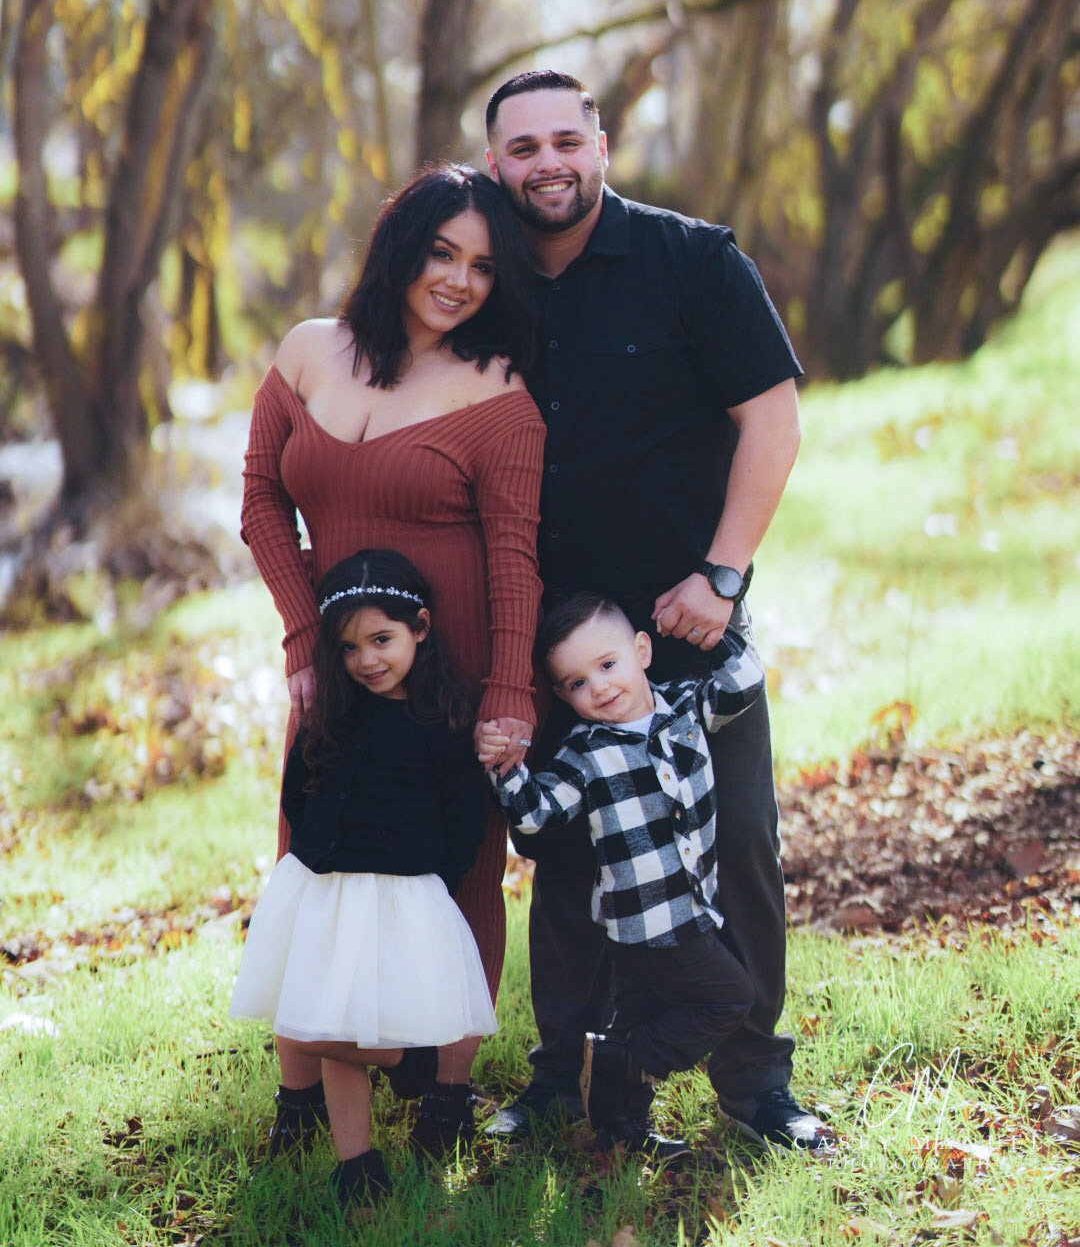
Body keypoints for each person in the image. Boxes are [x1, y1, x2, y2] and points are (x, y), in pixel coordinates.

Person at [482, 71, 830, 1151]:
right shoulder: (487, 283)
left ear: (602, 146)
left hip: (689, 638)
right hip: (558, 653)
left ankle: (756, 1084)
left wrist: (722, 577)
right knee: (570, 865)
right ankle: (564, 1078)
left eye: (565, 140)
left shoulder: (695, 261)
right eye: (523, 148)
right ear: (496, 166)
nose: (547, 163)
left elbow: (773, 420)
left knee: (739, 852)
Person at [240, 163, 545, 1155]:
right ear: (400, 247)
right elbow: (260, 502)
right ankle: (301, 1094)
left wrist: (507, 693)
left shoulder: (499, 392)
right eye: (443, 253)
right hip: (339, 668)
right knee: (313, 860)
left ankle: (445, 1091)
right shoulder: (308, 351)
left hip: (449, 675)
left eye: (483, 267)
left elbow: (515, 556)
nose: (459, 280)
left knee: (456, 870)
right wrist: (303, 636)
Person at [230, 549, 497, 1208]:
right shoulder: (333, 713)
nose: (367, 660)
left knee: (336, 1030)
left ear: (420, 629)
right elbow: (297, 792)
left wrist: (432, 880)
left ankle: (408, 1059)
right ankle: (358, 1164)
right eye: (349, 648)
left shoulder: (440, 719)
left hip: (404, 892)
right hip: (325, 890)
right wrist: (316, 856)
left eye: (382, 640)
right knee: (316, 1025)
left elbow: (465, 815)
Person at [479, 592, 766, 1155]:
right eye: (577, 683)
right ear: (563, 694)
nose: (600, 687)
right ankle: (627, 1062)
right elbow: (535, 815)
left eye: (608, 664)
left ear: (642, 651)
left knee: (639, 1015)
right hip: (649, 923)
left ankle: (621, 1129)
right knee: (731, 998)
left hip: (688, 909)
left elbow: (744, 682)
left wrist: (716, 628)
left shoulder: (684, 708)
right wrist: (503, 765)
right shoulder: (585, 753)